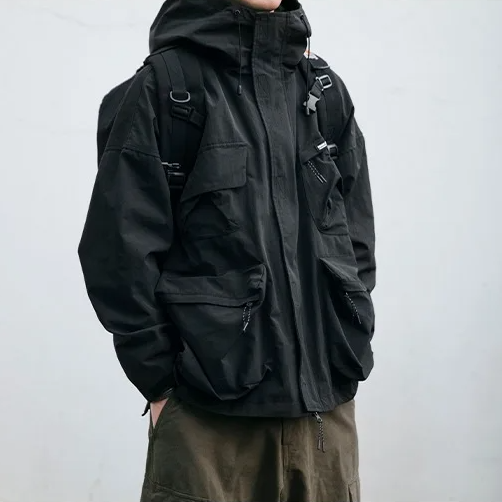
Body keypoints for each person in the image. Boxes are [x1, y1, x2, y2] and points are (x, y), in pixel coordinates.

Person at [78, 0, 376, 500]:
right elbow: (118, 252)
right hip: (208, 425)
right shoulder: (165, 90)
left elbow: (355, 241)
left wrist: (346, 341)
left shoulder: (323, 92)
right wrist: (160, 383)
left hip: (325, 421)